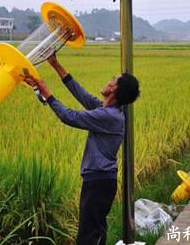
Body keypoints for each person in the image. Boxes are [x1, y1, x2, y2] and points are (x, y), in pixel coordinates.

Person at [24, 54, 140, 245]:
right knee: (93, 231)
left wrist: (47, 93)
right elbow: (81, 94)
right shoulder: (107, 110)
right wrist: (55, 64)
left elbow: (69, 116)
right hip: (99, 180)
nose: (108, 80)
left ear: (114, 89)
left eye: (113, 79)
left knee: (89, 235)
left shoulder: (109, 116)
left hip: (99, 181)